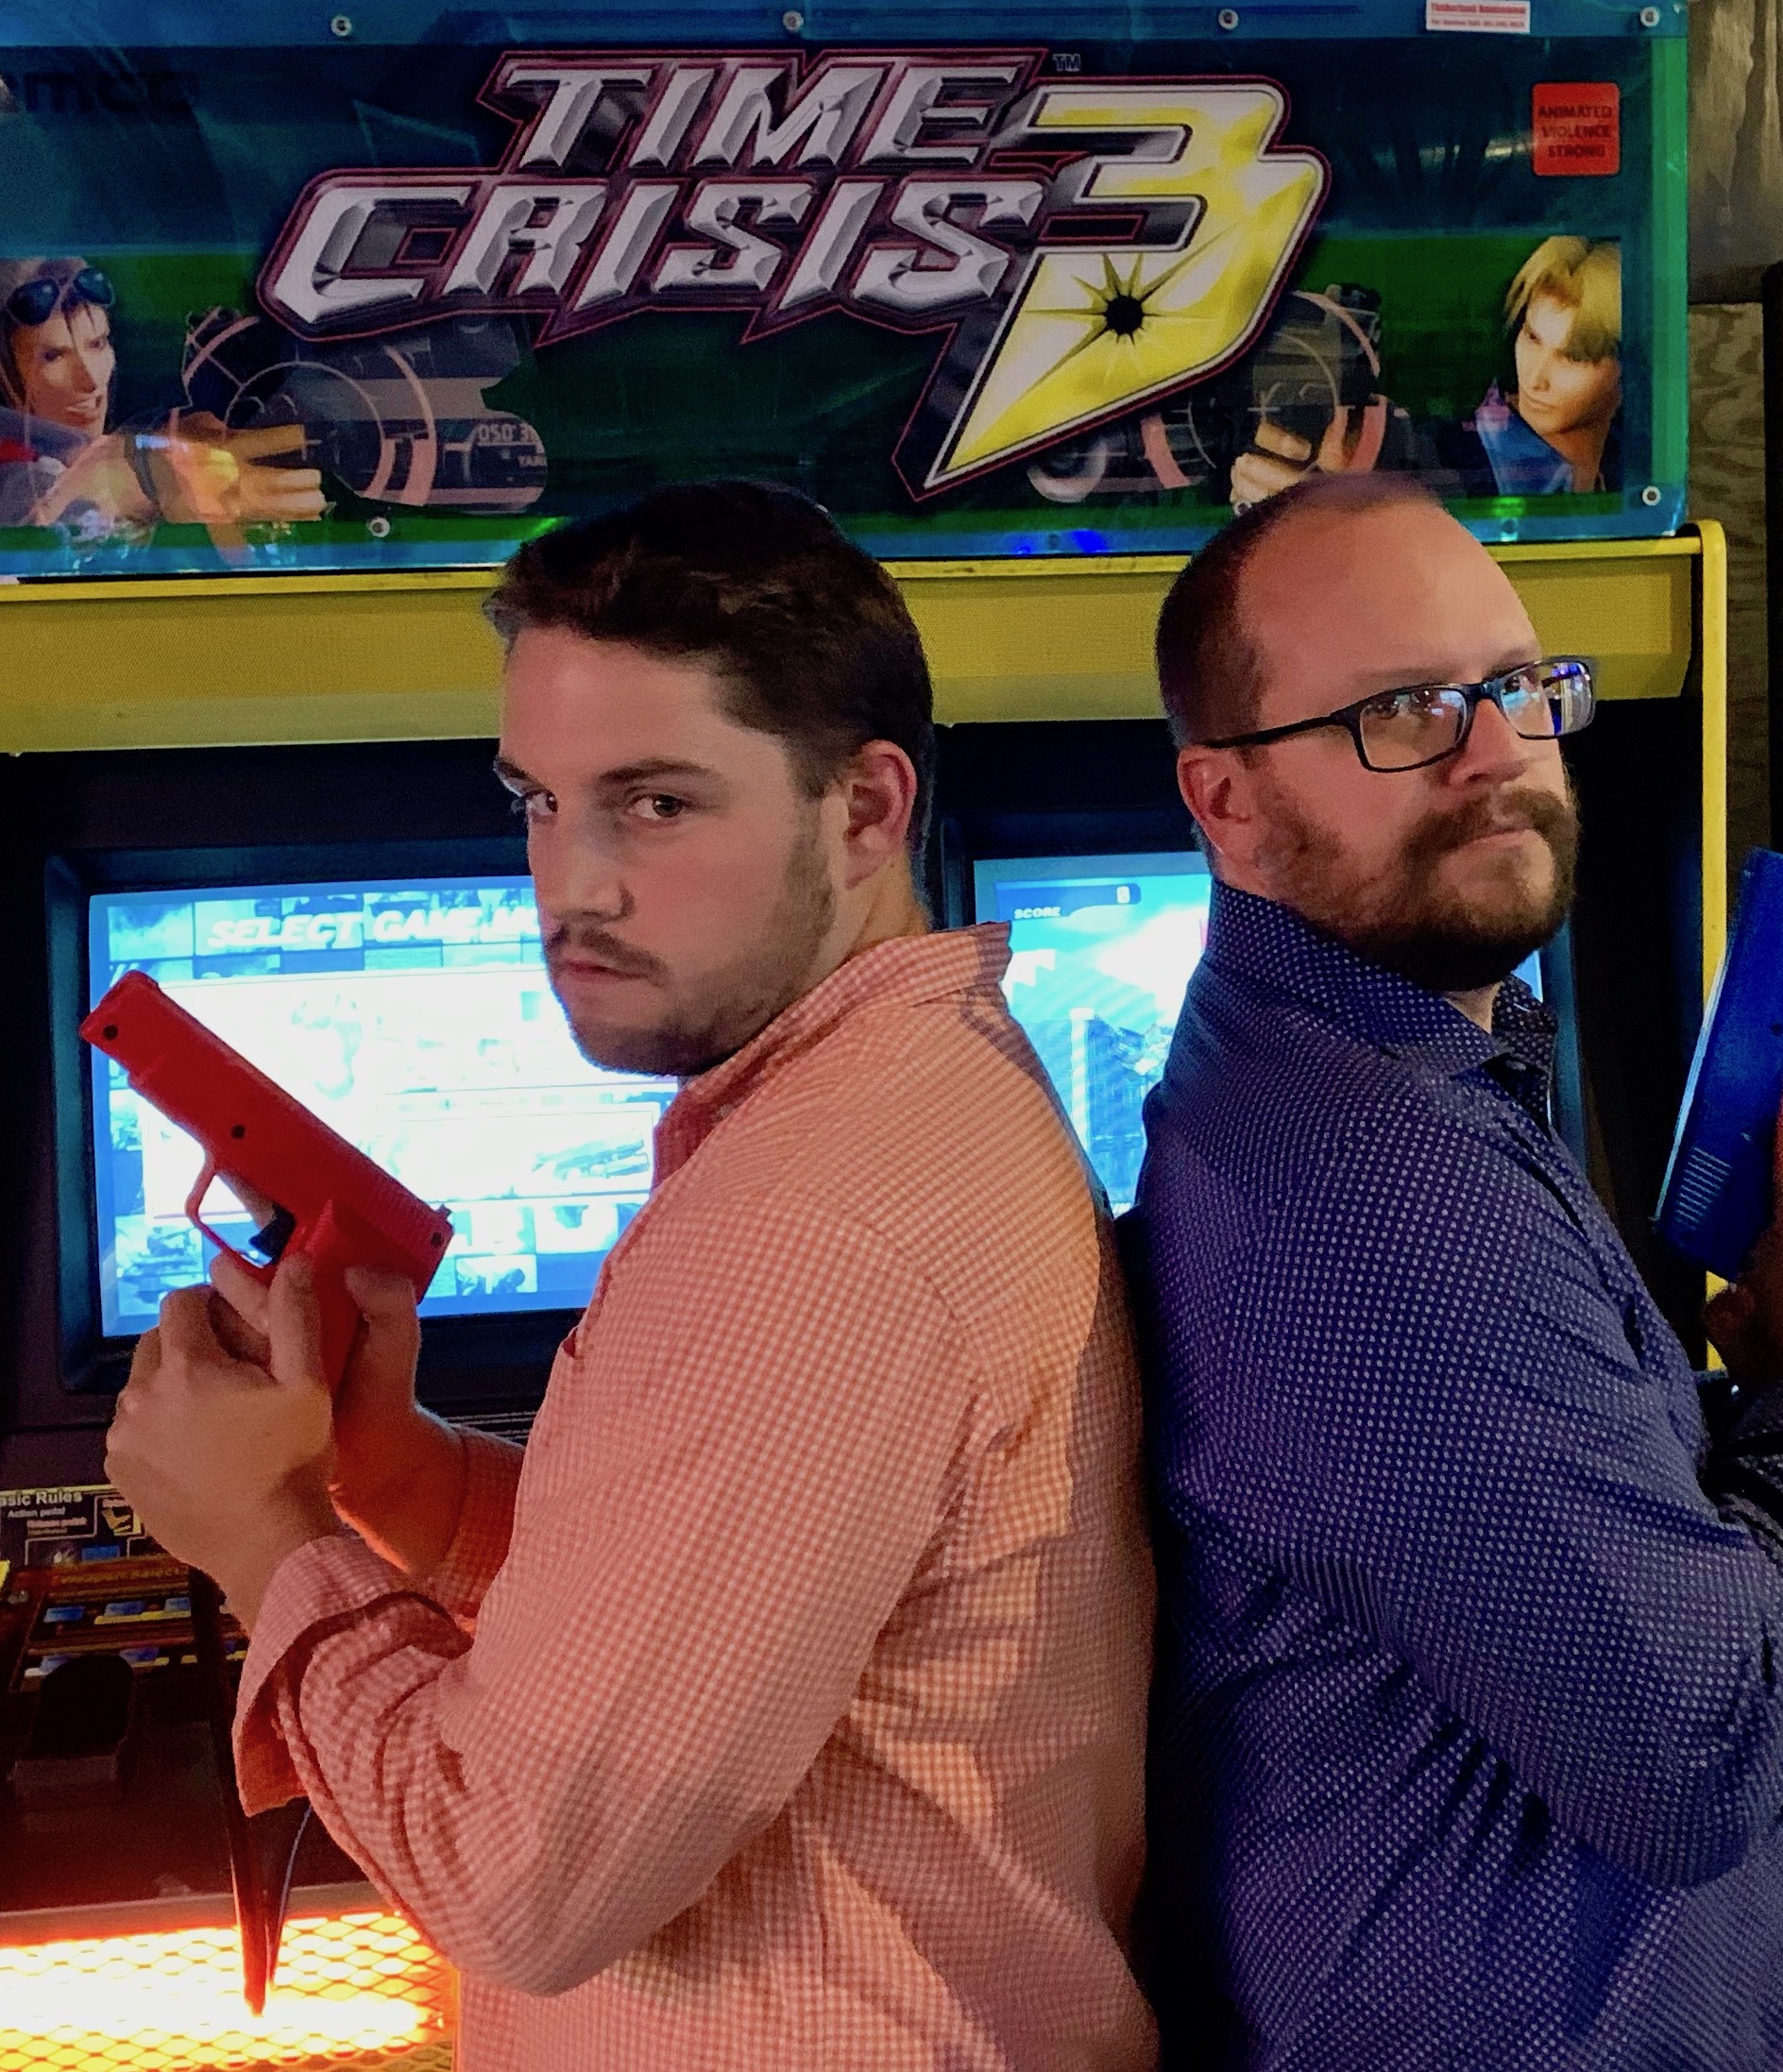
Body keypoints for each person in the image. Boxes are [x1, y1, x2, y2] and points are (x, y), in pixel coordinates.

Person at [104, 484, 1158, 2072]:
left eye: (654, 803)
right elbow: (706, 1603)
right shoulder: (893, 1096)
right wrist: (396, 1476)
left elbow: (514, 1874)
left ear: (867, 810)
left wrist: (262, 1530)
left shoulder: (808, 1224)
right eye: (537, 800)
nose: (570, 885)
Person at [1126, 471, 1783, 2071]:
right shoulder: (1372, 1186)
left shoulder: (1386, 1058)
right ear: (1223, 799)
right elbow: (1700, 1751)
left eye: (1519, 685)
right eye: (1402, 710)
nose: (1497, 749)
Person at [1231, 237, 1622, 506]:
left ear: (1626, 369)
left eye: (1574, 357)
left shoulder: (1625, 465)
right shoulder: (1447, 453)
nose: (1536, 379)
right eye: (1532, 337)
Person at [0, 256, 323, 536]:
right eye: (52, 356)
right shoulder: (17, 478)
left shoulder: (130, 433)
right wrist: (148, 476)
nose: (90, 380)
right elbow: (35, 511)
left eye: (97, 344)